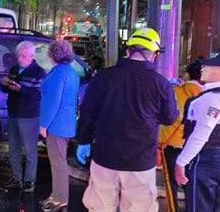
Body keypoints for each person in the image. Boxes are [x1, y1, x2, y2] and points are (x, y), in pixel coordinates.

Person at [76, 28, 178, 212]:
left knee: (100, 207)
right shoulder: (160, 83)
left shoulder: (103, 77)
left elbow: (87, 112)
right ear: (153, 55)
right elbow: (169, 118)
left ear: (127, 51)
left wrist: (83, 140)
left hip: (105, 157)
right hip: (139, 161)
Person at [175, 55, 220, 212]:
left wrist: (181, 161)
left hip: (205, 159)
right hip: (212, 158)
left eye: (210, 66)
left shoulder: (213, 98)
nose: (203, 68)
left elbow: (203, 133)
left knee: (199, 207)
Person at [38, 40, 79, 211]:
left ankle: (60, 198)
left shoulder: (57, 74)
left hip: (56, 124)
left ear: (54, 55)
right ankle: (56, 196)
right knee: (58, 161)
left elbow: (52, 102)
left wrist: (43, 124)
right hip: (67, 123)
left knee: (58, 162)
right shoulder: (72, 72)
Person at [0, 41, 45, 193]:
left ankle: (29, 181)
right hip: (13, 113)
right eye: (19, 56)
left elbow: (38, 94)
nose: (21, 59)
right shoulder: (14, 69)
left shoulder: (39, 72)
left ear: (32, 56)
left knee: (30, 150)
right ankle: (17, 178)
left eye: (24, 56)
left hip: (29, 115)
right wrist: (4, 84)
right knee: (13, 148)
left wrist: (21, 89)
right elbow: (6, 89)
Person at [159, 58, 203, 207]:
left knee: (172, 183)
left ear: (188, 75)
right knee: (192, 184)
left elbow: (165, 116)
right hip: (197, 147)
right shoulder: (208, 95)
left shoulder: (174, 91)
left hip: (172, 144)